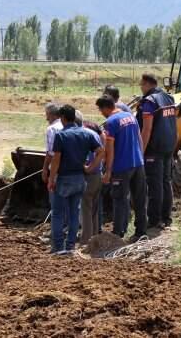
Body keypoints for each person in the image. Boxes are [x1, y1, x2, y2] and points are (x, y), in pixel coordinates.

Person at [48, 105, 104, 254]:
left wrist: (51, 178)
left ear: (62, 118)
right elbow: (100, 151)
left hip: (64, 178)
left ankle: (58, 247)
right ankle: (71, 246)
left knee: (58, 213)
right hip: (80, 178)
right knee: (74, 212)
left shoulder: (60, 135)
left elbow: (56, 159)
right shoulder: (87, 134)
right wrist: (90, 168)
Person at [96, 95, 147, 242]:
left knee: (119, 199)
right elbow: (139, 138)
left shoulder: (111, 122)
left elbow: (110, 149)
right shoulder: (131, 117)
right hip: (138, 164)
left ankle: (118, 233)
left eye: (101, 110)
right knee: (139, 199)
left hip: (121, 167)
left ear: (105, 108)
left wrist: (108, 171)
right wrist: (140, 158)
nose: (101, 113)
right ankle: (141, 231)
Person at [136, 73, 177, 229]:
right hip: (168, 146)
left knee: (155, 185)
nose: (141, 88)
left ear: (147, 84)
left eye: (141, 85)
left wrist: (140, 152)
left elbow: (146, 130)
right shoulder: (168, 98)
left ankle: (154, 220)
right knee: (166, 182)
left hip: (154, 149)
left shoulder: (149, 102)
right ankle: (166, 218)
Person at [76, 113, 104, 244]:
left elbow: (84, 158)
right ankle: (95, 238)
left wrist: (86, 167)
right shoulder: (94, 134)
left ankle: (86, 240)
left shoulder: (81, 135)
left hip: (89, 176)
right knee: (94, 208)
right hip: (98, 173)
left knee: (86, 208)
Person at [41, 102, 63, 187]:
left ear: (52, 115)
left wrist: (45, 169)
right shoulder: (67, 125)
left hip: (57, 172)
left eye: (47, 115)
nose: (47, 118)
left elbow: (51, 153)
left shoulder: (52, 129)